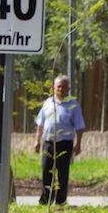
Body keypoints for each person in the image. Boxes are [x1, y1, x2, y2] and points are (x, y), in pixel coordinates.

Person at [34, 75, 85, 206]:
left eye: (64, 86)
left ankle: (61, 201)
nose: (61, 89)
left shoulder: (73, 105)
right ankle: (46, 200)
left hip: (65, 144)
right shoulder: (48, 103)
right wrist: (37, 141)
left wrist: (78, 144)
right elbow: (40, 124)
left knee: (62, 173)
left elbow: (79, 126)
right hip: (48, 143)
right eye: (58, 86)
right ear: (54, 88)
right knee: (46, 171)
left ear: (68, 89)